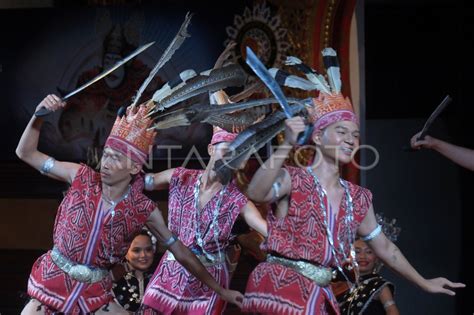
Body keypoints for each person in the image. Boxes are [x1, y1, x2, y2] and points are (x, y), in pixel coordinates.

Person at [241, 50, 465, 314]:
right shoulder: (294, 178)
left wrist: (423, 283)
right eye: (341, 132)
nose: (351, 140)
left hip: (317, 293)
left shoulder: (358, 197)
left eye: (355, 135)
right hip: (278, 292)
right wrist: (287, 145)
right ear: (318, 137)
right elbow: (257, 192)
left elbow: (385, 248)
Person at [16, 95, 243, 314]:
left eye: (115, 158)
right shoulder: (80, 177)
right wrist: (39, 115)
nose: (105, 162)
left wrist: (220, 290)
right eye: (106, 154)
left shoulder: (142, 208)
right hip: (53, 281)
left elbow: (181, 253)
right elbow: (25, 153)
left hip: (93, 293)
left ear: (134, 167)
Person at [140, 89, 267, 314]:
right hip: (170, 271)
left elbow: (267, 229)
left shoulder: (238, 200)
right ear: (210, 149)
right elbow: (142, 182)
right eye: (225, 152)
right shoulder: (180, 176)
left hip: (209, 284)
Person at [337, 238, 399, 315]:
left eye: (369, 252)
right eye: (357, 252)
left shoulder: (379, 285)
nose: (362, 256)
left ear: (377, 258)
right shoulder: (342, 284)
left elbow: (392, 310)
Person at [110, 229, 156, 313]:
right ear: (125, 253)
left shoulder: (162, 278)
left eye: (148, 250)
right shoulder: (112, 279)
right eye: (136, 250)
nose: (143, 255)